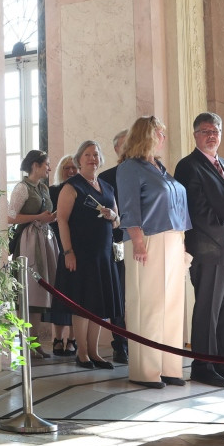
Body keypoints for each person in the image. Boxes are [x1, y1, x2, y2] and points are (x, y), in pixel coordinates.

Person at [173, 112, 224, 388]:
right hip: (209, 250)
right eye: (206, 130)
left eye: (216, 130)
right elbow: (197, 210)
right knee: (208, 310)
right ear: (195, 134)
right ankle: (203, 366)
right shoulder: (188, 166)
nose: (212, 135)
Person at [116, 116, 191, 389]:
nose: (163, 138)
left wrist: (182, 242)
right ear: (147, 135)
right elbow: (128, 206)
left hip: (172, 239)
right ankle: (145, 370)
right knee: (148, 305)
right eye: (160, 132)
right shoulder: (129, 168)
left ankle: (169, 367)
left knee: (172, 305)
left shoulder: (159, 167)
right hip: (146, 239)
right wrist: (137, 240)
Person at [55, 140, 123, 369]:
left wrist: (112, 215)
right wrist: (68, 252)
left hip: (103, 254)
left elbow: (117, 222)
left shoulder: (107, 187)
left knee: (99, 306)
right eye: (87, 154)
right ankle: (82, 353)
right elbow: (62, 220)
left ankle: (95, 352)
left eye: (95, 154)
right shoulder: (72, 186)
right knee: (82, 304)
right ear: (79, 159)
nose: (92, 158)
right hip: (80, 254)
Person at [8, 150, 60, 359]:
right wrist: (38, 216)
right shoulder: (22, 188)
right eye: (46, 164)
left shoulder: (43, 188)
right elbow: (10, 217)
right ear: (35, 165)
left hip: (44, 239)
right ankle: (26, 341)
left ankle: (35, 342)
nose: (48, 168)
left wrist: (52, 217)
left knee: (40, 292)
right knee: (29, 290)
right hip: (28, 241)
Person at [98, 129, 130, 365]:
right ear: (117, 150)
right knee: (119, 297)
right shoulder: (106, 178)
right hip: (118, 244)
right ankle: (120, 345)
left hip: (147, 243)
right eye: (125, 145)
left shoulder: (149, 172)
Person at [48, 153, 80, 356]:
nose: (70, 171)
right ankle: (58, 338)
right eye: (66, 168)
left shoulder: (83, 190)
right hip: (59, 245)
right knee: (61, 294)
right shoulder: (53, 191)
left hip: (80, 246)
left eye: (73, 168)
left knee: (78, 296)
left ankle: (73, 339)